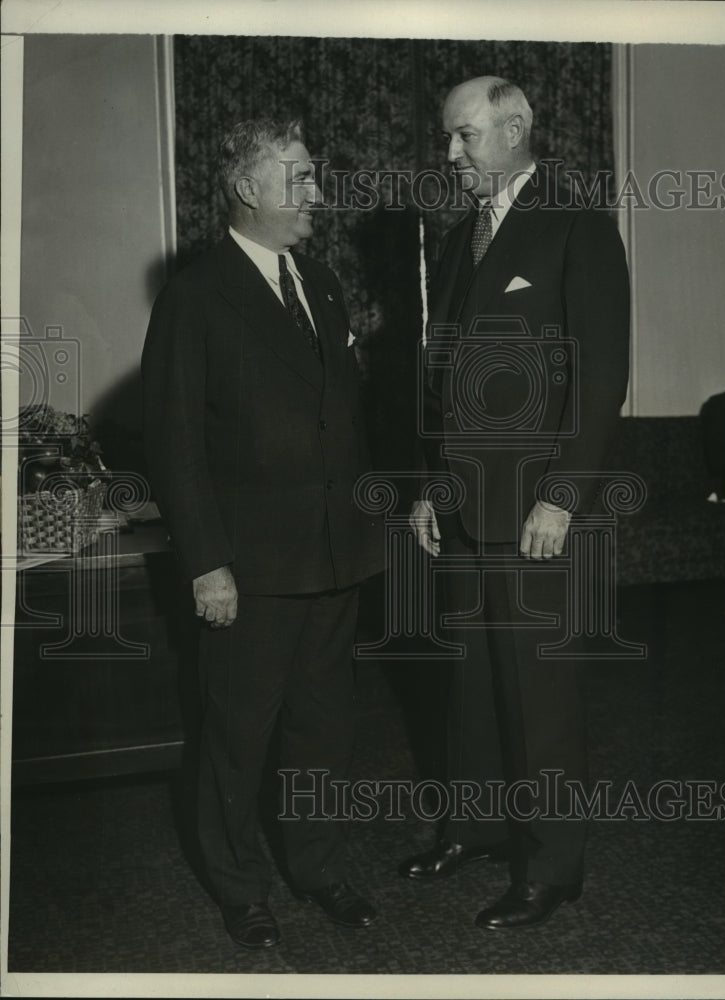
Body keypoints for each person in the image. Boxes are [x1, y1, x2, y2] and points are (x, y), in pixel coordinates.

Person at [141, 119, 384, 950]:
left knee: (324, 729)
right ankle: (239, 884)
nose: (318, 192)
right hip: (247, 567)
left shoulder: (321, 281)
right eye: (301, 177)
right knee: (238, 738)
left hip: (333, 555)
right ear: (248, 189)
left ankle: (316, 866)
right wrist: (207, 562)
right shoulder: (195, 295)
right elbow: (173, 442)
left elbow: (340, 415)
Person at [401, 77, 631, 929]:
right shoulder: (462, 238)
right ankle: (475, 829)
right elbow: (443, 376)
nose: (449, 154)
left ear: (516, 129)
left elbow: (601, 380)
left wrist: (564, 498)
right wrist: (432, 485)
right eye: (448, 138)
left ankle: (551, 866)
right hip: (463, 505)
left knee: (537, 696)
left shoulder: (579, 229)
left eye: (463, 137)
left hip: (537, 509)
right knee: (467, 681)